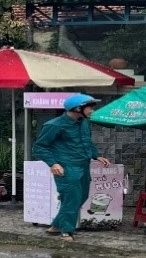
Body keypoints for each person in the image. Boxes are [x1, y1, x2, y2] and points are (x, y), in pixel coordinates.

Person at [31, 93, 111, 241]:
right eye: (90, 108)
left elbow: (86, 142)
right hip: (66, 168)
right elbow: (39, 147)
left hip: (83, 165)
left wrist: (96, 156)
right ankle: (66, 231)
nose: (92, 110)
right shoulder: (54, 125)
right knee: (71, 199)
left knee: (82, 196)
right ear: (78, 109)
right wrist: (53, 163)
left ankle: (56, 225)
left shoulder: (84, 123)